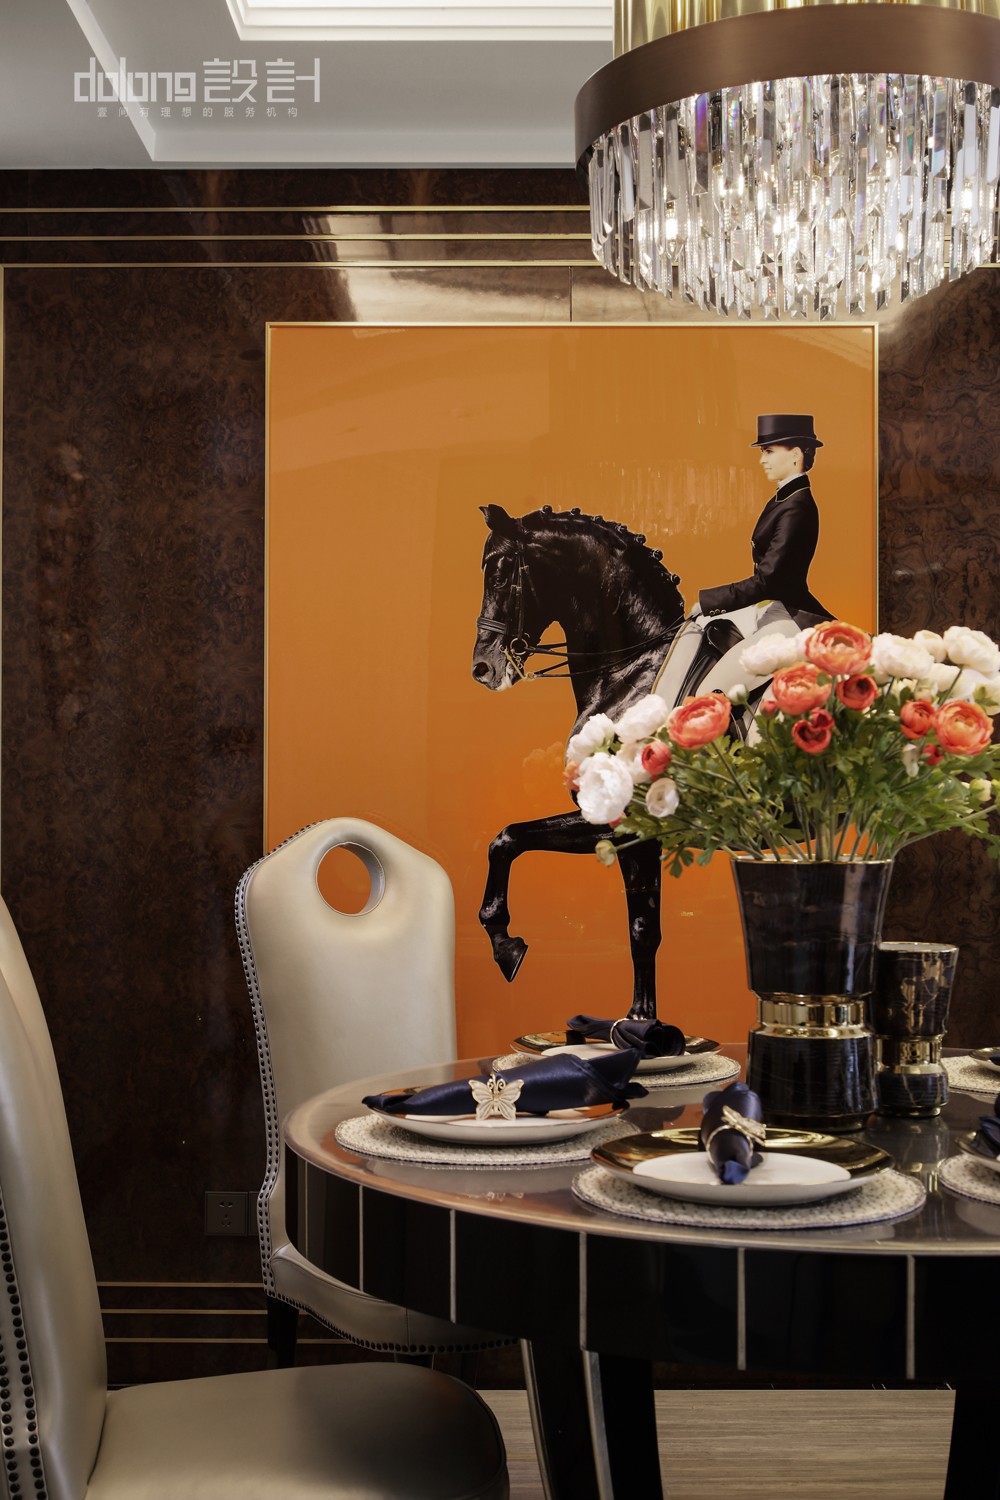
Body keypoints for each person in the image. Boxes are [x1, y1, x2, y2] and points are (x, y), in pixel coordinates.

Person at [692, 413, 832, 629]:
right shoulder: (784, 499)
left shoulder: (796, 506)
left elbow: (768, 580)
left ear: (795, 455)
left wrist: (709, 602)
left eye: (769, 451)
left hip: (787, 612)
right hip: (771, 604)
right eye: (762, 452)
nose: (762, 460)